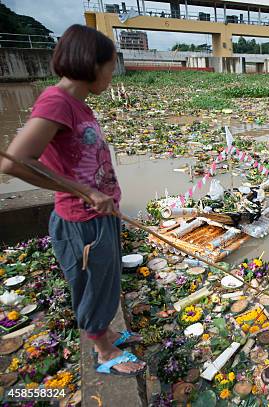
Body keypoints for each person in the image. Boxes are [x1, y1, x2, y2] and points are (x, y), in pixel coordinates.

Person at [0, 25, 145, 376]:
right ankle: (104, 352)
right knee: (94, 285)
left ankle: (106, 333)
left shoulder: (76, 104)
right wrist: (84, 191)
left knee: (107, 280)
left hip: (99, 215)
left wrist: (99, 194)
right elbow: (13, 161)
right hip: (82, 223)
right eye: (110, 67)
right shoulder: (57, 100)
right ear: (91, 64)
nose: (111, 75)